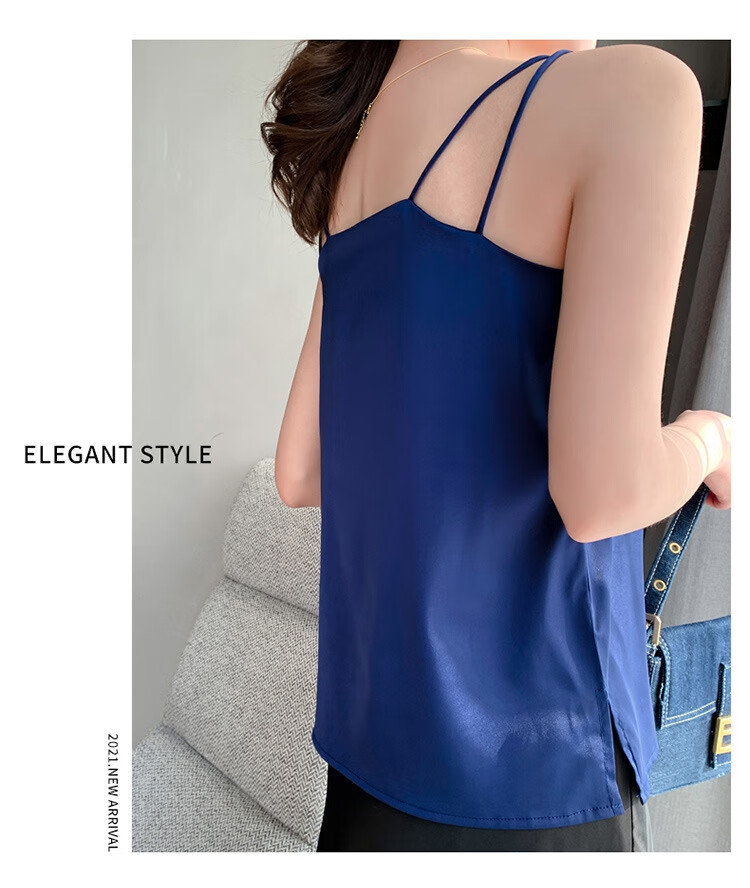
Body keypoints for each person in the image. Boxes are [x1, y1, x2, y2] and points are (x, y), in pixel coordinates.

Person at [263, 40, 732, 852]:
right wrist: (711, 437)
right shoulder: (634, 93)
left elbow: (300, 471)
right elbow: (604, 494)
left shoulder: (358, 144)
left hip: (370, 770)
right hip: (544, 781)